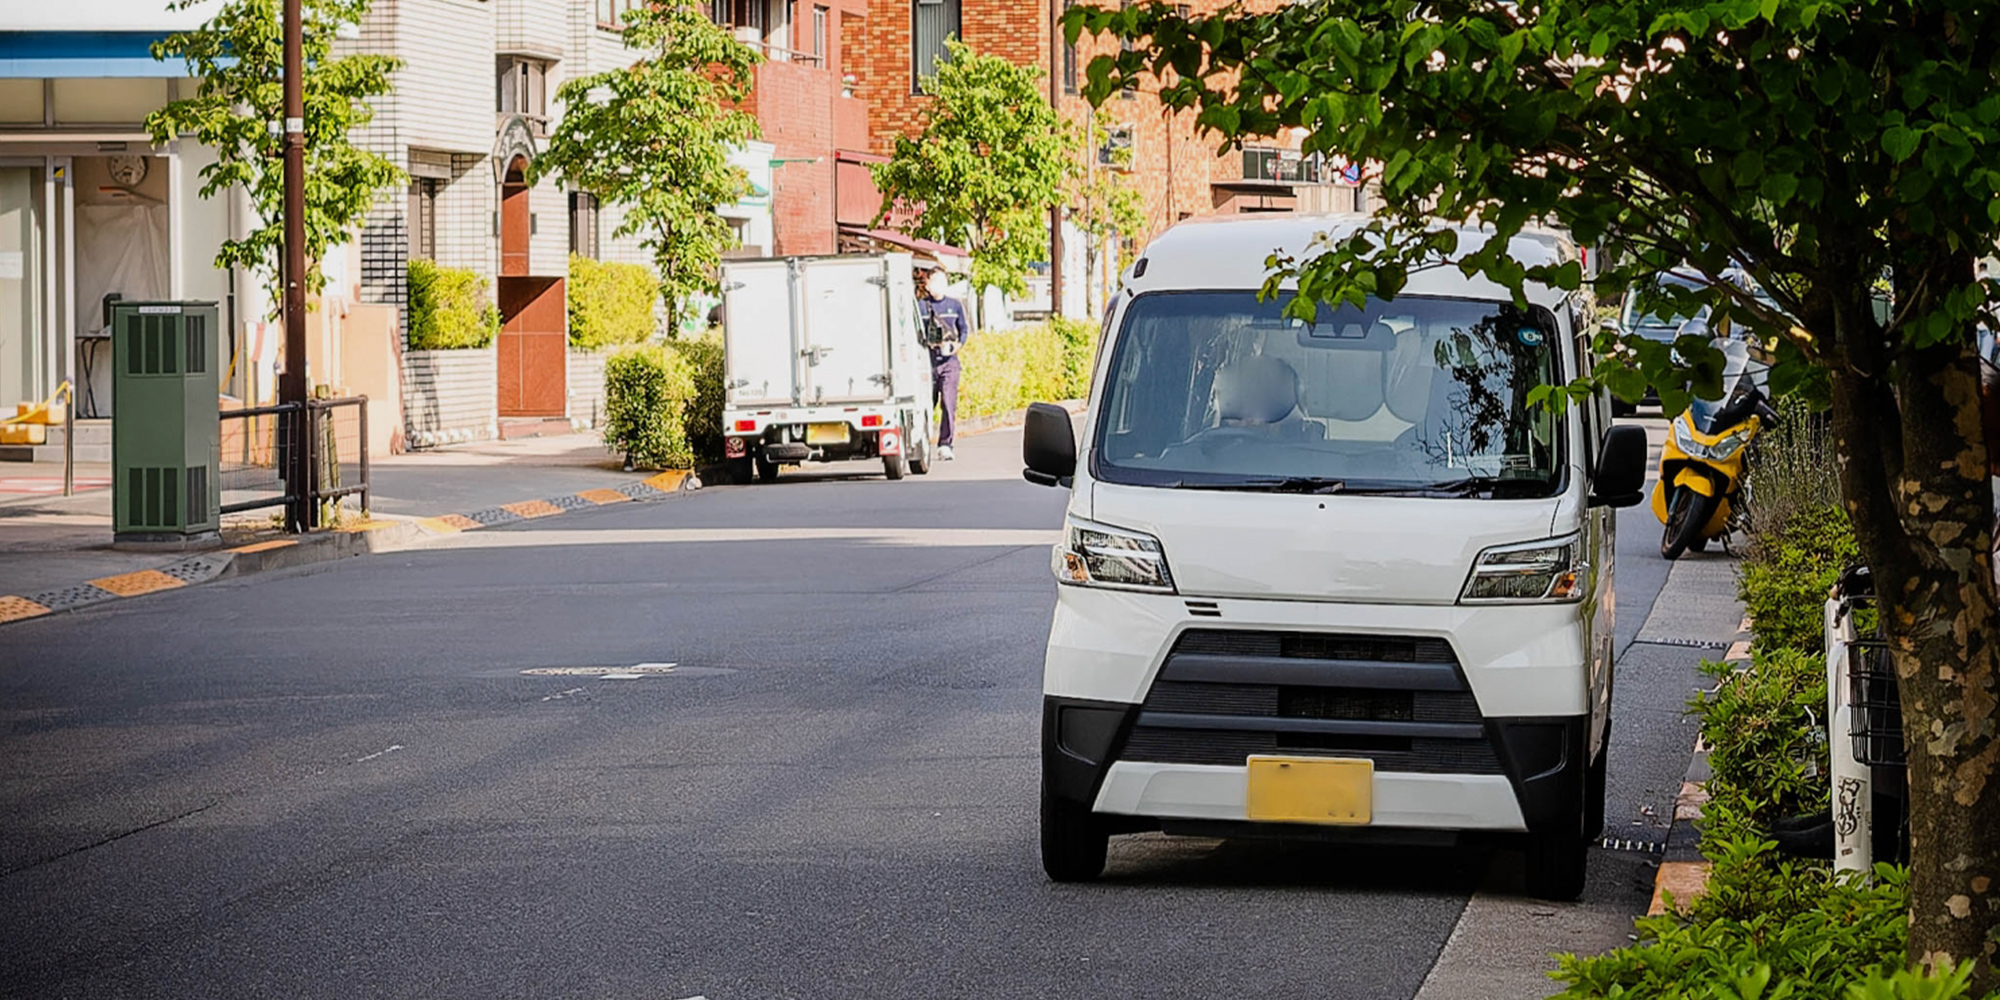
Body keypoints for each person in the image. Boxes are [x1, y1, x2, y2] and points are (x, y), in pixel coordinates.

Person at [916, 259, 971, 460]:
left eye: (943, 281)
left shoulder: (955, 305)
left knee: (948, 403)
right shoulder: (921, 307)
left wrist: (958, 345)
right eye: (935, 281)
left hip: (949, 362)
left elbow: (964, 329)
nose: (939, 285)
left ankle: (946, 444)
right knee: (925, 404)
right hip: (926, 363)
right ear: (928, 284)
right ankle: (921, 442)